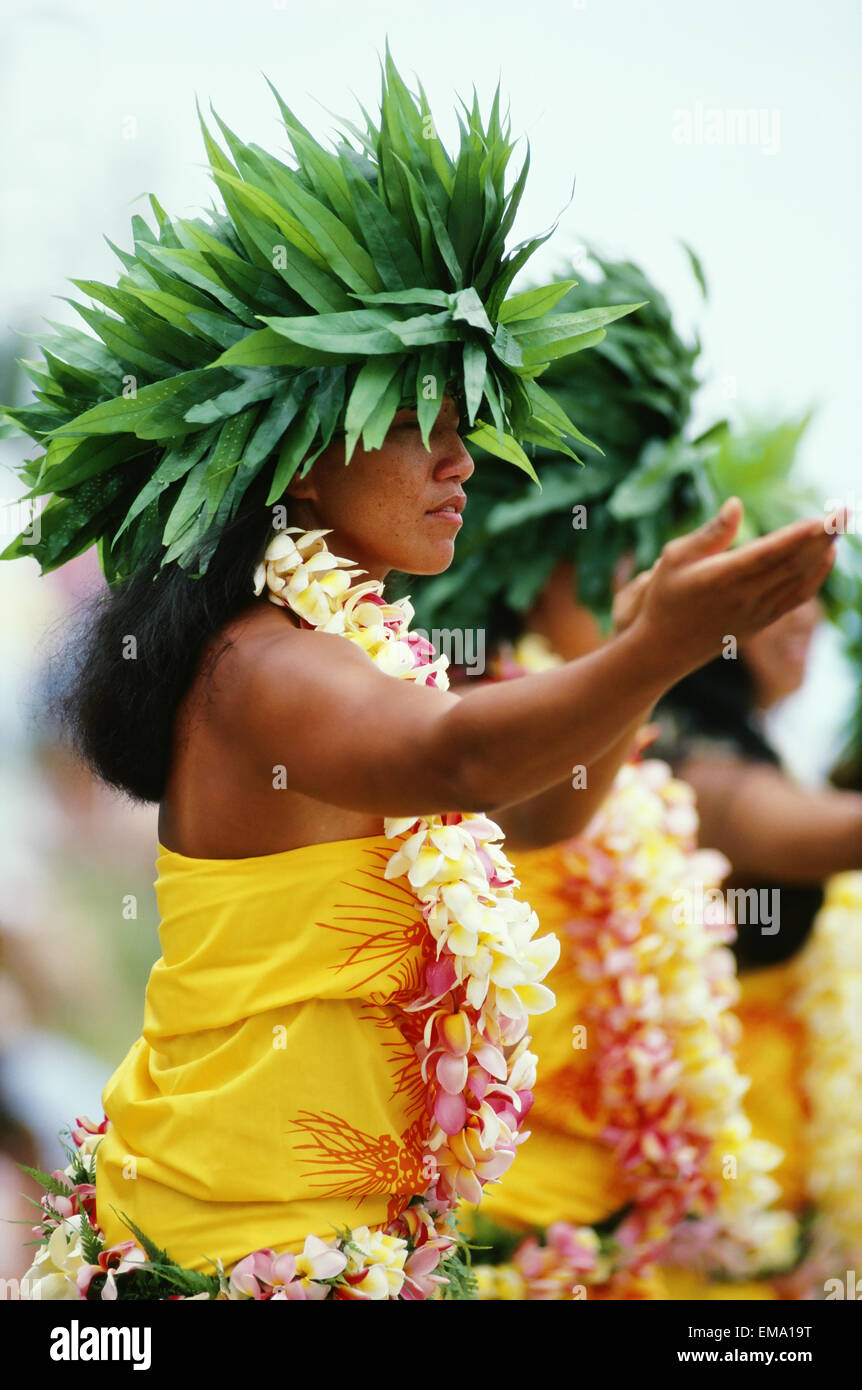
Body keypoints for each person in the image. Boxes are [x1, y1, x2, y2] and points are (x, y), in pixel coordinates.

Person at [1, 59, 840, 1301]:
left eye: (468, 421)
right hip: (215, 1262)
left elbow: (541, 803)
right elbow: (459, 760)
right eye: (419, 418)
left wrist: (640, 666)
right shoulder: (260, 667)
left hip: (355, 1257)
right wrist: (655, 645)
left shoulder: (351, 660)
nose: (460, 460)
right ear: (297, 442)